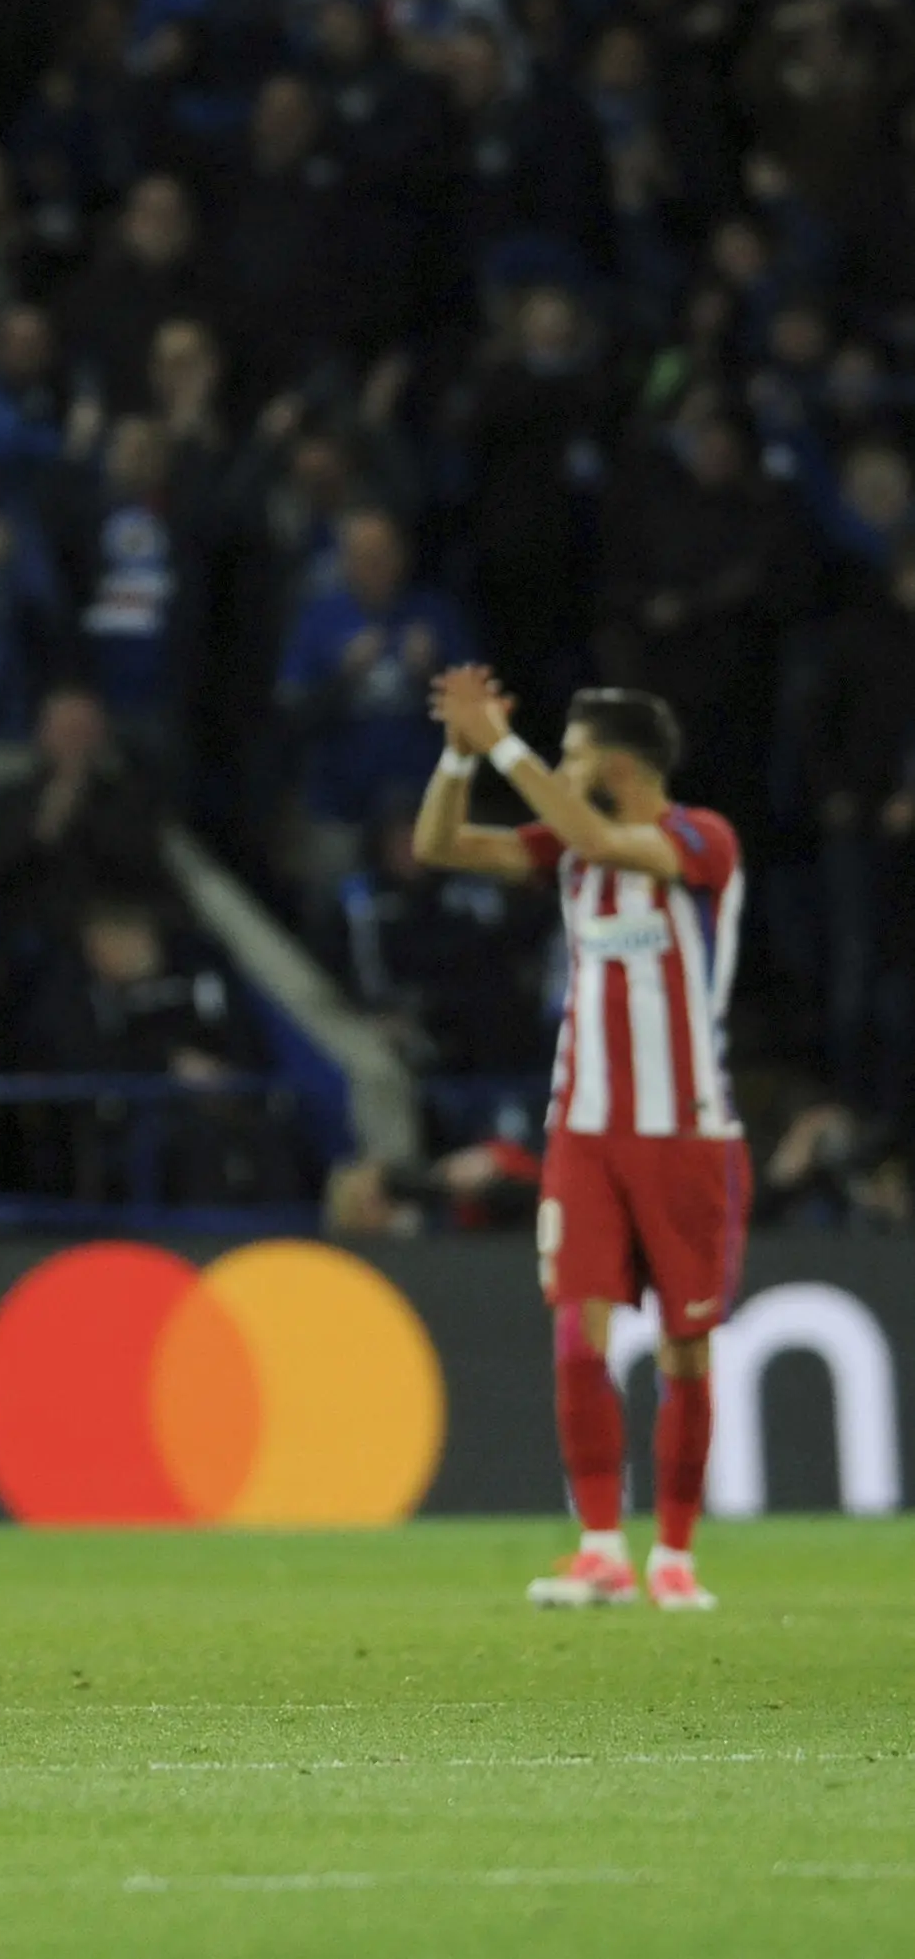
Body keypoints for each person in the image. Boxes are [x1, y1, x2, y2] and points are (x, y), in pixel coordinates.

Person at [414, 667, 743, 1614]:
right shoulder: (568, 853)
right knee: (575, 1330)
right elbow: (437, 842)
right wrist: (459, 752)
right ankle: (601, 1544)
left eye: (572, 751)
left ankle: (673, 1556)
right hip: (585, 1129)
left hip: (684, 1130)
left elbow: (602, 832)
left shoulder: (699, 840)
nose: (559, 765)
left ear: (622, 762)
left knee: (686, 1346)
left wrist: (504, 745)